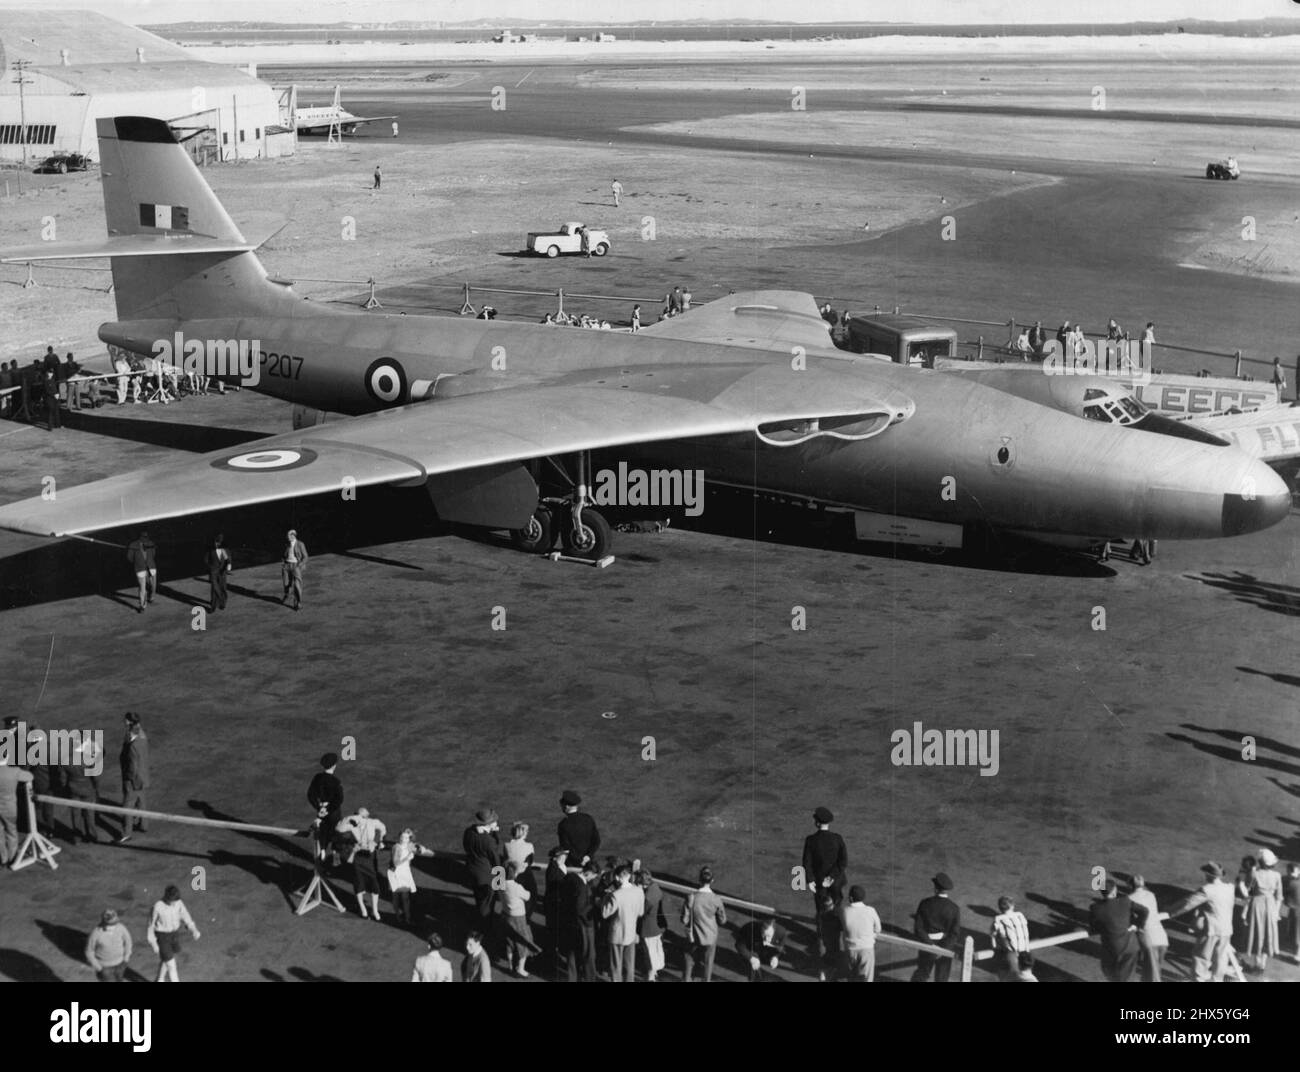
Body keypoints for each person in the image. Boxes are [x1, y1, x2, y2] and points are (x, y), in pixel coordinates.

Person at [1166, 861, 1236, 982]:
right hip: (1226, 930)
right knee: (1220, 959)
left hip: (1211, 931)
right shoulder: (1229, 888)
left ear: (1208, 875)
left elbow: (1187, 904)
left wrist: (1169, 912)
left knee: (1201, 958)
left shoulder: (1206, 890)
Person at [802, 805, 848, 980]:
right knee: (837, 908)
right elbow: (843, 862)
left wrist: (810, 881)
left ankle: (822, 937)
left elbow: (807, 863)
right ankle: (836, 938)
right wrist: (832, 877)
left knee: (821, 912)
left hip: (820, 885)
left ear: (816, 822)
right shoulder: (838, 839)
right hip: (835, 883)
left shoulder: (811, 840)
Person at [1088, 878, 1148, 983]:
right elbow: (1144, 911)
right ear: (1114, 891)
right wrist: (1138, 925)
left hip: (1111, 948)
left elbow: (1094, 928)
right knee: (1123, 977)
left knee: (1110, 973)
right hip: (1130, 946)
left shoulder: (1095, 908)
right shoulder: (1125, 901)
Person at [338, 806, 387, 920]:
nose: (361, 818)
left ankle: (375, 910)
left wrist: (380, 840)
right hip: (358, 856)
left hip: (369, 856)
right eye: (358, 815)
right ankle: (363, 909)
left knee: (374, 883)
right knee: (358, 882)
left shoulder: (373, 822)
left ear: (367, 816)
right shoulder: (352, 824)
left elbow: (383, 828)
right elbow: (339, 828)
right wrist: (352, 818)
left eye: (362, 816)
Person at [911, 872, 961, 982]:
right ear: (946, 890)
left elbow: (918, 928)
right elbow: (955, 933)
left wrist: (930, 945)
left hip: (926, 942)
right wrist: (943, 949)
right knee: (942, 977)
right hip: (945, 944)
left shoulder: (925, 903)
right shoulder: (954, 908)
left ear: (935, 888)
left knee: (922, 972)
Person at [681, 865, 727, 982]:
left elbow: (684, 920)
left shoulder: (691, 897)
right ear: (712, 881)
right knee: (708, 962)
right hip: (710, 936)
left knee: (689, 959)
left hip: (694, 935)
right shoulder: (716, 899)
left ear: (699, 880)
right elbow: (722, 921)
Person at [147, 884, 201, 982]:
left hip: (174, 935)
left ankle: (159, 979)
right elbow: (151, 926)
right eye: (172, 902)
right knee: (171, 965)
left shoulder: (178, 902)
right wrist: (154, 943)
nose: (174, 904)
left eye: (175, 901)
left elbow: (185, 916)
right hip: (162, 936)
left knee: (167, 959)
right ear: (166, 897)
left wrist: (194, 929)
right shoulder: (157, 907)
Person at [601, 861, 644, 982]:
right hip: (631, 933)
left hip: (617, 935)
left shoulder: (615, 895)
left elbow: (605, 914)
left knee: (616, 966)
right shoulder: (639, 891)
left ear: (617, 877)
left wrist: (606, 898)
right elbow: (640, 913)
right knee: (630, 965)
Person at [1243, 848, 1282, 972]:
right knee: (1267, 934)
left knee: (1257, 932)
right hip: (1271, 906)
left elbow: (1247, 890)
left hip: (1257, 905)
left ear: (1260, 861)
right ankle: (1262, 965)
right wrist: (1276, 912)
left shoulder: (1255, 873)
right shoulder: (1277, 875)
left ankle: (1257, 964)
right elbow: (1279, 897)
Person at [560, 858, 599, 981]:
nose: (592, 880)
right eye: (593, 876)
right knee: (589, 954)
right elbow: (580, 909)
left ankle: (572, 978)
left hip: (569, 921)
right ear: (589, 873)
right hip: (583, 925)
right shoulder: (582, 887)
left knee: (572, 954)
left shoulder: (570, 878)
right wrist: (594, 907)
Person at [386, 827, 433, 928]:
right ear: (399, 837)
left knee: (405, 897)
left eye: (407, 837)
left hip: (405, 873)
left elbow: (423, 850)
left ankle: (407, 919)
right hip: (395, 873)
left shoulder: (410, 845)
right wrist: (407, 857)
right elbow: (396, 862)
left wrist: (426, 850)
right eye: (402, 837)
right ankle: (398, 917)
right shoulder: (396, 847)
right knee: (396, 896)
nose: (404, 839)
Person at [502, 861, 542, 976]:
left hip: (506, 914)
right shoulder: (516, 887)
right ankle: (520, 968)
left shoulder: (500, 884)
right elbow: (528, 895)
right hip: (518, 917)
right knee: (523, 942)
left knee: (509, 941)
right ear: (514, 874)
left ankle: (510, 965)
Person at [462, 807, 503, 918]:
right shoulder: (488, 841)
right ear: (489, 824)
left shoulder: (469, 832)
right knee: (487, 905)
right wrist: (500, 882)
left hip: (472, 871)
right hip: (486, 877)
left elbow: (466, 847)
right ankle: (485, 927)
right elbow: (496, 861)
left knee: (479, 899)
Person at [61, 735, 101, 844]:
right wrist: (96, 788)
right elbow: (95, 777)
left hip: (73, 789)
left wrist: (66, 788)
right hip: (88, 789)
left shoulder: (66, 761)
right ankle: (92, 836)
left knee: (76, 814)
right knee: (89, 814)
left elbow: (63, 779)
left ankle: (77, 838)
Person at [116, 712, 148, 844]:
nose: (123, 721)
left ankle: (126, 833)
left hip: (133, 779)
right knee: (141, 800)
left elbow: (132, 766)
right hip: (143, 776)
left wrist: (129, 780)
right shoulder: (141, 734)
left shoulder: (134, 743)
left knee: (128, 805)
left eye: (125, 720)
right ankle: (144, 825)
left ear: (129, 721)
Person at [1129, 875, 1168, 982]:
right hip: (1161, 937)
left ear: (1131, 886)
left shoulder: (1129, 899)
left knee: (1152, 976)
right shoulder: (1151, 895)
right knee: (1153, 972)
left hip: (1149, 940)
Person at [838, 886, 881, 981]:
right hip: (866, 949)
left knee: (851, 977)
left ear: (851, 898)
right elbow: (878, 929)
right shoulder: (871, 910)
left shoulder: (844, 911)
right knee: (867, 978)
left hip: (850, 949)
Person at [307, 752, 343, 863]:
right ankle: (336, 860)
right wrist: (328, 810)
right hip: (333, 811)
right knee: (336, 832)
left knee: (323, 831)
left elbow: (310, 794)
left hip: (321, 809)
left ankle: (322, 852)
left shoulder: (317, 778)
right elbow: (339, 800)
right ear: (334, 766)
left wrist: (319, 808)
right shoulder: (335, 782)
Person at [0, 752, 34, 866]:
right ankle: (12, 857)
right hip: (9, 807)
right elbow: (30, 776)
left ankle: (3, 858)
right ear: (7, 757)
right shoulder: (14, 772)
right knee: (11, 831)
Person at [637, 866, 668, 981]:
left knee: (650, 955)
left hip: (648, 929)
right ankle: (653, 974)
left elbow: (641, 912)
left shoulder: (648, 897)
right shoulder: (656, 888)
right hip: (657, 927)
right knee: (656, 951)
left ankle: (650, 977)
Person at [86, 909, 133, 982]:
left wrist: (126, 959)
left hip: (120, 964)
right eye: (110, 925)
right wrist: (99, 968)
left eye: (114, 924)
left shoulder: (121, 927)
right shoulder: (96, 933)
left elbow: (128, 942)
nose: (113, 927)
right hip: (105, 968)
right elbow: (89, 952)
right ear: (103, 923)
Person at [737, 915, 789, 982]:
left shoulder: (781, 932)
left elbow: (780, 948)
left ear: (774, 931)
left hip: (767, 949)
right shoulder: (749, 929)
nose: (767, 939)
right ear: (761, 930)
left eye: (769, 936)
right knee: (753, 965)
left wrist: (776, 957)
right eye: (764, 935)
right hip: (752, 945)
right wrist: (751, 958)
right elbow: (739, 945)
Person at [990, 895, 1030, 978]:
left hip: (1012, 955)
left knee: (1009, 976)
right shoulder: (1020, 915)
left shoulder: (998, 919)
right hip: (1026, 952)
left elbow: (992, 935)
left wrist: (995, 947)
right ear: (1012, 906)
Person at [556, 790, 600, 865]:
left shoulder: (563, 824)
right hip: (589, 864)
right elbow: (596, 841)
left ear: (566, 806)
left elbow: (566, 847)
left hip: (572, 864)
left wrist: (579, 860)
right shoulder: (588, 819)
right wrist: (588, 856)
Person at [504, 821, 538, 906]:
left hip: (511, 874)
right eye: (526, 831)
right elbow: (530, 861)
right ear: (522, 833)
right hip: (525, 874)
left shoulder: (506, 845)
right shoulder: (529, 846)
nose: (527, 833)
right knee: (532, 894)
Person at [125, 530, 157, 613]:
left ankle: (151, 597)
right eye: (143, 536)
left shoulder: (151, 543)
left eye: (146, 536)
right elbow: (129, 557)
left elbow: (153, 553)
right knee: (142, 588)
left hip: (151, 567)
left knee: (153, 585)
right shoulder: (133, 545)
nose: (145, 538)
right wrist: (138, 562)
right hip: (140, 569)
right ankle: (142, 606)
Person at [281, 529, 308, 610]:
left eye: (289, 536)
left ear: (293, 536)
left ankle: (297, 603)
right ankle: (287, 594)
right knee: (286, 583)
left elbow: (305, 557)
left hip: (296, 566)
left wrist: (300, 565)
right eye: (287, 536)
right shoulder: (287, 544)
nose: (287, 537)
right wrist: (283, 563)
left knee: (297, 585)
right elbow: (283, 554)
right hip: (287, 566)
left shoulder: (300, 544)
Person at [205, 534, 231, 612]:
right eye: (216, 542)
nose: (216, 544)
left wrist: (228, 567)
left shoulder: (225, 551)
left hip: (222, 572)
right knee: (214, 588)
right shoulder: (210, 551)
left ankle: (222, 603)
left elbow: (228, 560)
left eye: (218, 542)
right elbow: (205, 560)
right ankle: (213, 606)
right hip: (213, 572)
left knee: (223, 587)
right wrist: (210, 567)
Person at [1283, 863, 1300, 962]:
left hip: (1297, 911)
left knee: (1298, 932)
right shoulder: (1292, 882)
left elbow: (1288, 902)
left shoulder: (1292, 884)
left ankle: (1298, 955)